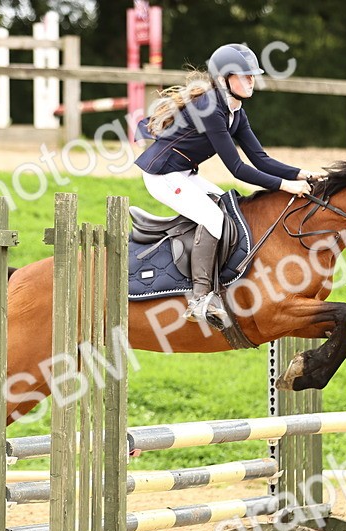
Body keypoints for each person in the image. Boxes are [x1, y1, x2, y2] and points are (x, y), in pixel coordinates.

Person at [134, 43, 315, 327]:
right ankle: (199, 300)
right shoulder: (210, 108)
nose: (251, 80)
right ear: (223, 80)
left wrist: (303, 174)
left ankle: (220, 283)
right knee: (213, 218)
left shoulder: (236, 112)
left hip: (183, 173)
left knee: (231, 211)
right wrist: (285, 186)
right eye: (244, 75)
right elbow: (237, 169)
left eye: (252, 75)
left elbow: (261, 159)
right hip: (162, 175)